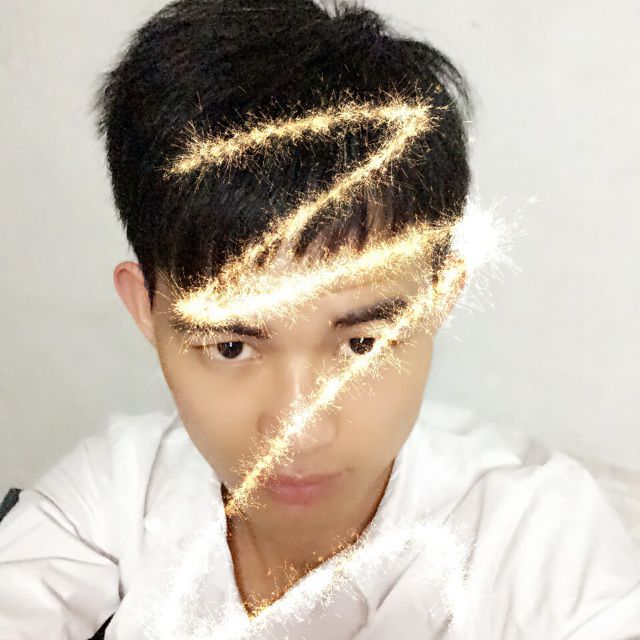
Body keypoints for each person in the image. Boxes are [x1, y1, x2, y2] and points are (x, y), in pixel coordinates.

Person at [1, 1, 639, 638]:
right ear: (146, 307)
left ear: (443, 293)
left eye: (362, 343)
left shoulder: (539, 540)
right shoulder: (115, 493)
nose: (297, 433)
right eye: (231, 347)